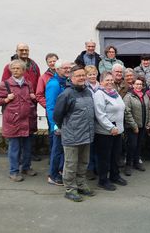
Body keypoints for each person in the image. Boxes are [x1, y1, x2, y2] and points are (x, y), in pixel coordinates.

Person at [0, 60, 37, 182]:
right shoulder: (4, 85)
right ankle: (13, 171)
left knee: (27, 147)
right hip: (13, 122)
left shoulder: (28, 84)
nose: (15, 70)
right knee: (14, 148)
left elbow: (30, 98)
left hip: (27, 120)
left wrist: (33, 97)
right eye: (13, 68)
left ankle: (26, 167)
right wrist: (5, 99)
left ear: (23, 70)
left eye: (18, 68)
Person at [53, 65, 96, 202]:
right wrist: (65, 128)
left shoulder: (88, 91)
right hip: (72, 135)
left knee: (83, 162)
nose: (82, 77)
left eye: (83, 75)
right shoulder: (66, 94)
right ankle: (70, 189)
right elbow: (57, 115)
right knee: (71, 164)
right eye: (78, 75)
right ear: (71, 78)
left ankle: (81, 184)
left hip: (86, 134)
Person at [1, 43, 41, 160]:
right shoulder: (10, 66)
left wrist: (36, 96)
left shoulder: (33, 65)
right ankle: (16, 158)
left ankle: (29, 154)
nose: (24, 52)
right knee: (15, 132)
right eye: (21, 50)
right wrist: (7, 99)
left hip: (30, 102)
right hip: (15, 104)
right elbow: (5, 84)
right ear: (16, 51)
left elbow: (38, 81)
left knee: (30, 129)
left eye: (26, 50)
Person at [93, 72, 128, 191]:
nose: (110, 82)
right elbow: (100, 114)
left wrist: (118, 128)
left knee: (115, 155)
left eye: (111, 80)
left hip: (117, 130)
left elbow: (120, 108)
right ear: (101, 82)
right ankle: (102, 180)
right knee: (104, 157)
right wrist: (110, 127)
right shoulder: (99, 94)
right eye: (107, 80)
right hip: (105, 132)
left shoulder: (114, 93)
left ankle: (115, 175)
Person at [45, 60, 72, 186]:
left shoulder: (65, 82)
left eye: (69, 67)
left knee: (63, 150)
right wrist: (54, 125)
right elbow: (50, 107)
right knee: (57, 150)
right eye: (64, 68)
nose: (67, 69)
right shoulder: (54, 84)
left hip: (66, 123)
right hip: (58, 124)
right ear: (57, 70)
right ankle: (53, 175)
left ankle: (60, 171)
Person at [123, 77, 150, 176]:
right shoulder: (129, 96)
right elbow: (127, 112)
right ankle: (128, 165)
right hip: (132, 127)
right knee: (131, 146)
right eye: (137, 84)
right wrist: (134, 125)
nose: (139, 86)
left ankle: (136, 162)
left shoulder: (145, 95)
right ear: (133, 85)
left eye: (140, 84)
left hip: (143, 125)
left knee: (139, 145)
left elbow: (149, 109)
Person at [35, 53, 58, 154]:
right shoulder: (43, 78)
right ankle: (53, 156)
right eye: (50, 62)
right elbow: (39, 95)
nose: (52, 63)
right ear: (47, 64)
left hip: (65, 110)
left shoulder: (64, 74)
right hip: (51, 111)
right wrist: (48, 105)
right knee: (53, 133)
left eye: (54, 61)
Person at [84, 65, 100, 180]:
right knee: (90, 145)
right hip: (88, 119)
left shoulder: (101, 86)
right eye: (89, 74)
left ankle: (97, 167)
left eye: (94, 74)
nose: (92, 76)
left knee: (99, 144)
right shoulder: (84, 87)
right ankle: (89, 168)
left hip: (100, 118)